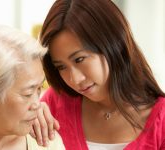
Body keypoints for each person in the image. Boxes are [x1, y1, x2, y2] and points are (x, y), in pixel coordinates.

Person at [33, 0, 165, 149]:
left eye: (79, 59)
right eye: (61, 67)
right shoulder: (54, 104)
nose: (74, 79)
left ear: (113, 43)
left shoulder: (161, 121)